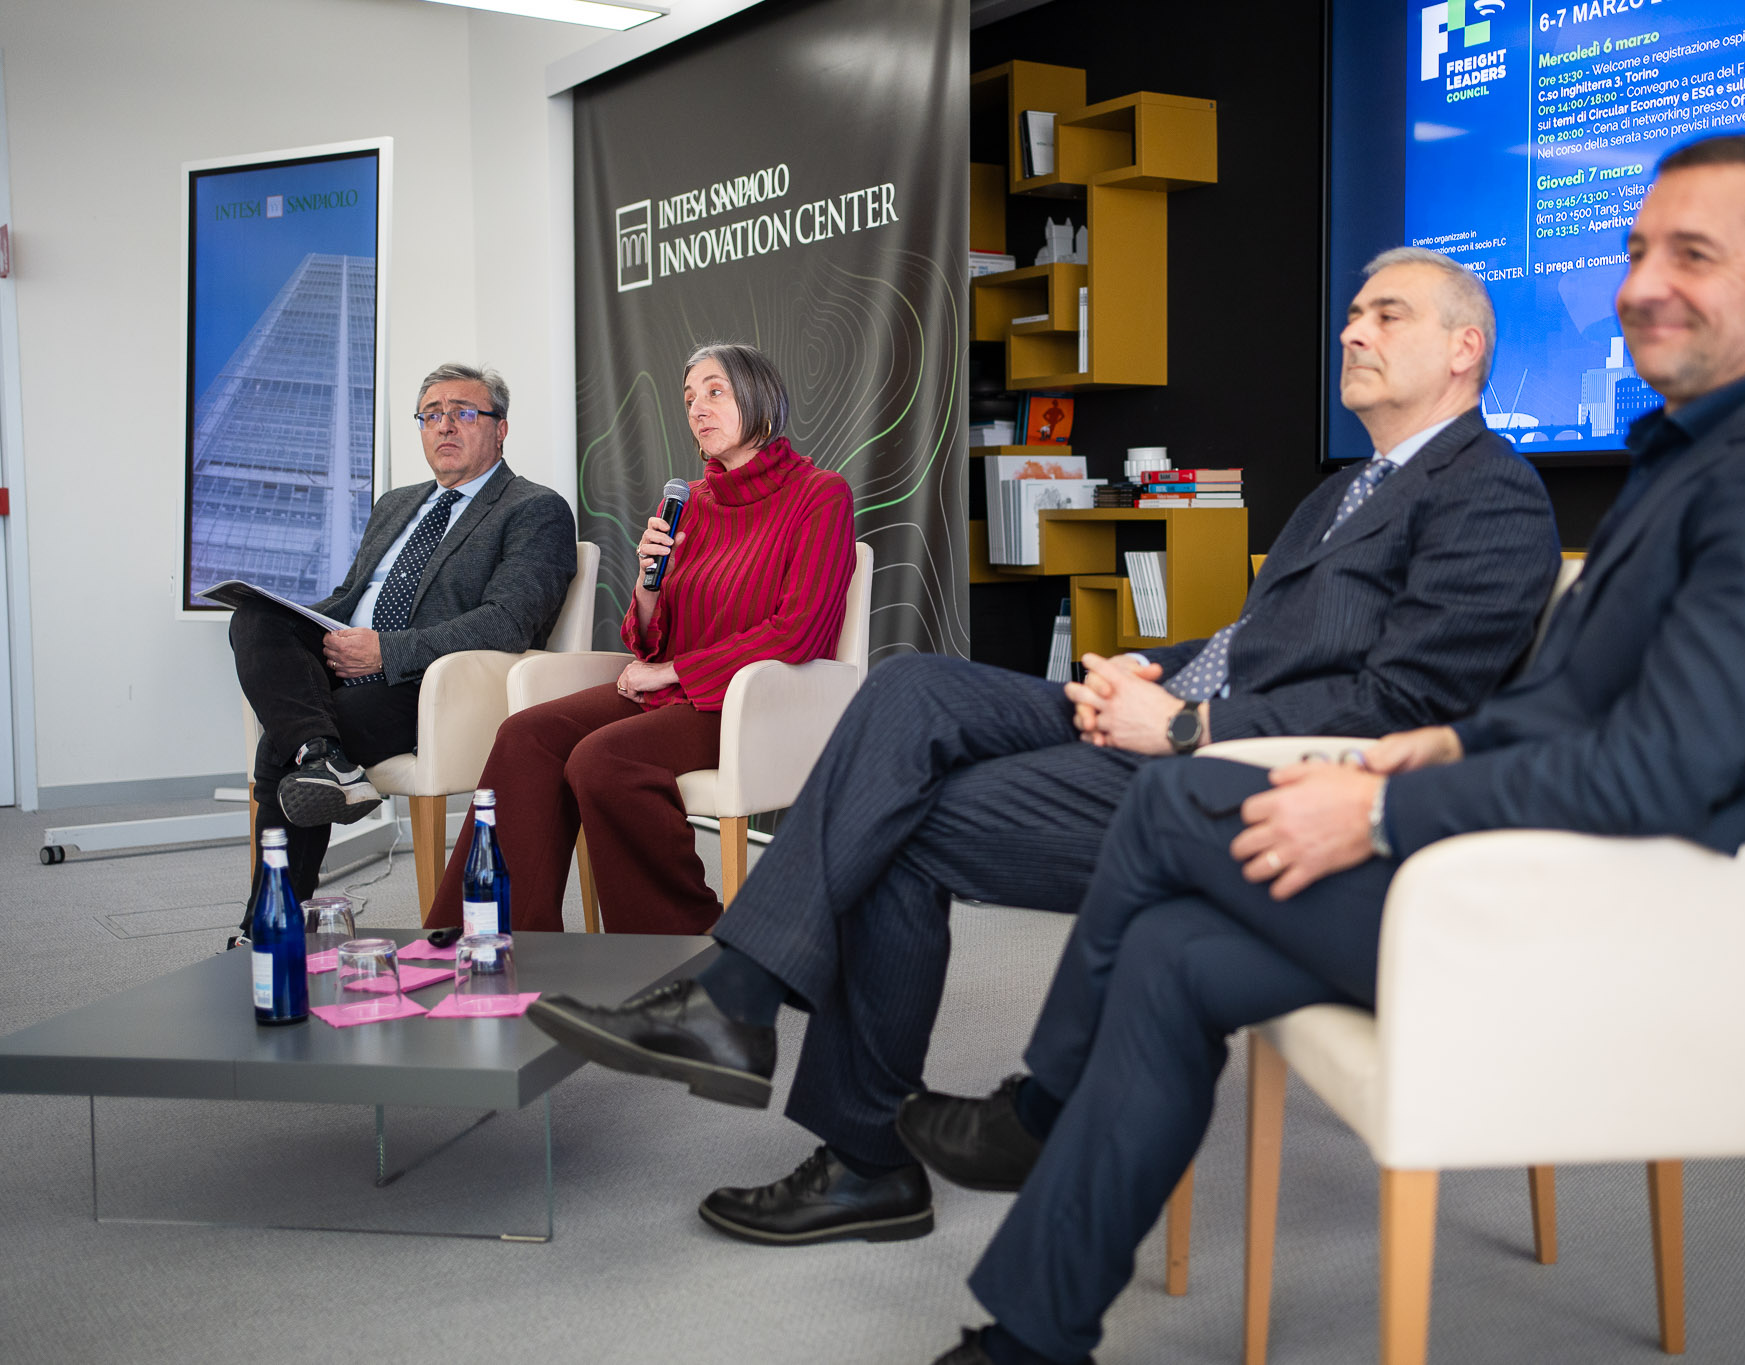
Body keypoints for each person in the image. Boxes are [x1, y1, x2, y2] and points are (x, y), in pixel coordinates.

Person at [895, 132, 1745, 1365]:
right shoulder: (1700, 460)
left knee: (1172, 808)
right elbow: (1568, 711)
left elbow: (1664, 770)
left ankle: (1039, 1112)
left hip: (1661, 926)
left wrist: (1377, 810)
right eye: (1635, 250)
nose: (1641, 284)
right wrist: (1431, 749)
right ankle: (1026, 1339)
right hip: (1570, 873)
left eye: (1691, 255)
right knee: (1169, 951)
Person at [527, 250, 1562, 1243]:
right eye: (1353, 313)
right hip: (1176, 722)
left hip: (1250, 784)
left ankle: (829, 1119)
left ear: (1463, 347)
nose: (1352, 330)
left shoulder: (1490, 495)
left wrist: (1185, 724)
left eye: (1386, 314)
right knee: (910, 690)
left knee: (896, 819)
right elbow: (1257, 646)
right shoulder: (1344, 493)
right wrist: (1144, 669)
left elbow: (1404, 709)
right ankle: (754, 1023)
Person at [423, 343, 855, 935]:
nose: (697, 409)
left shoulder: (819, 493)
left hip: (750, 702)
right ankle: (484, 935)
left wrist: (673, 671)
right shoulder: (690, 503)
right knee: (526, 735)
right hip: (674, 691)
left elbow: (798, 630)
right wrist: (650, 586)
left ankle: (686, 942)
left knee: (603, 761)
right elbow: (650, 640)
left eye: (715, 392)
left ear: (760, 397)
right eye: (689, 398)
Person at [231, 364, 576, 934]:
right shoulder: (396, 504)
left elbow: (508, 623)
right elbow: (349, 597)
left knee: (279, 747)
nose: (445, 426)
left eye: (464, 413)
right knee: (254, 616)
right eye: (431, 415)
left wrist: (386, 652)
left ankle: (269, 929)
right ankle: (324, 756)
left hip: (432, 686)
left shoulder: (534, 508)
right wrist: (296, 619)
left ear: (500, 428)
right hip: (349, 661)